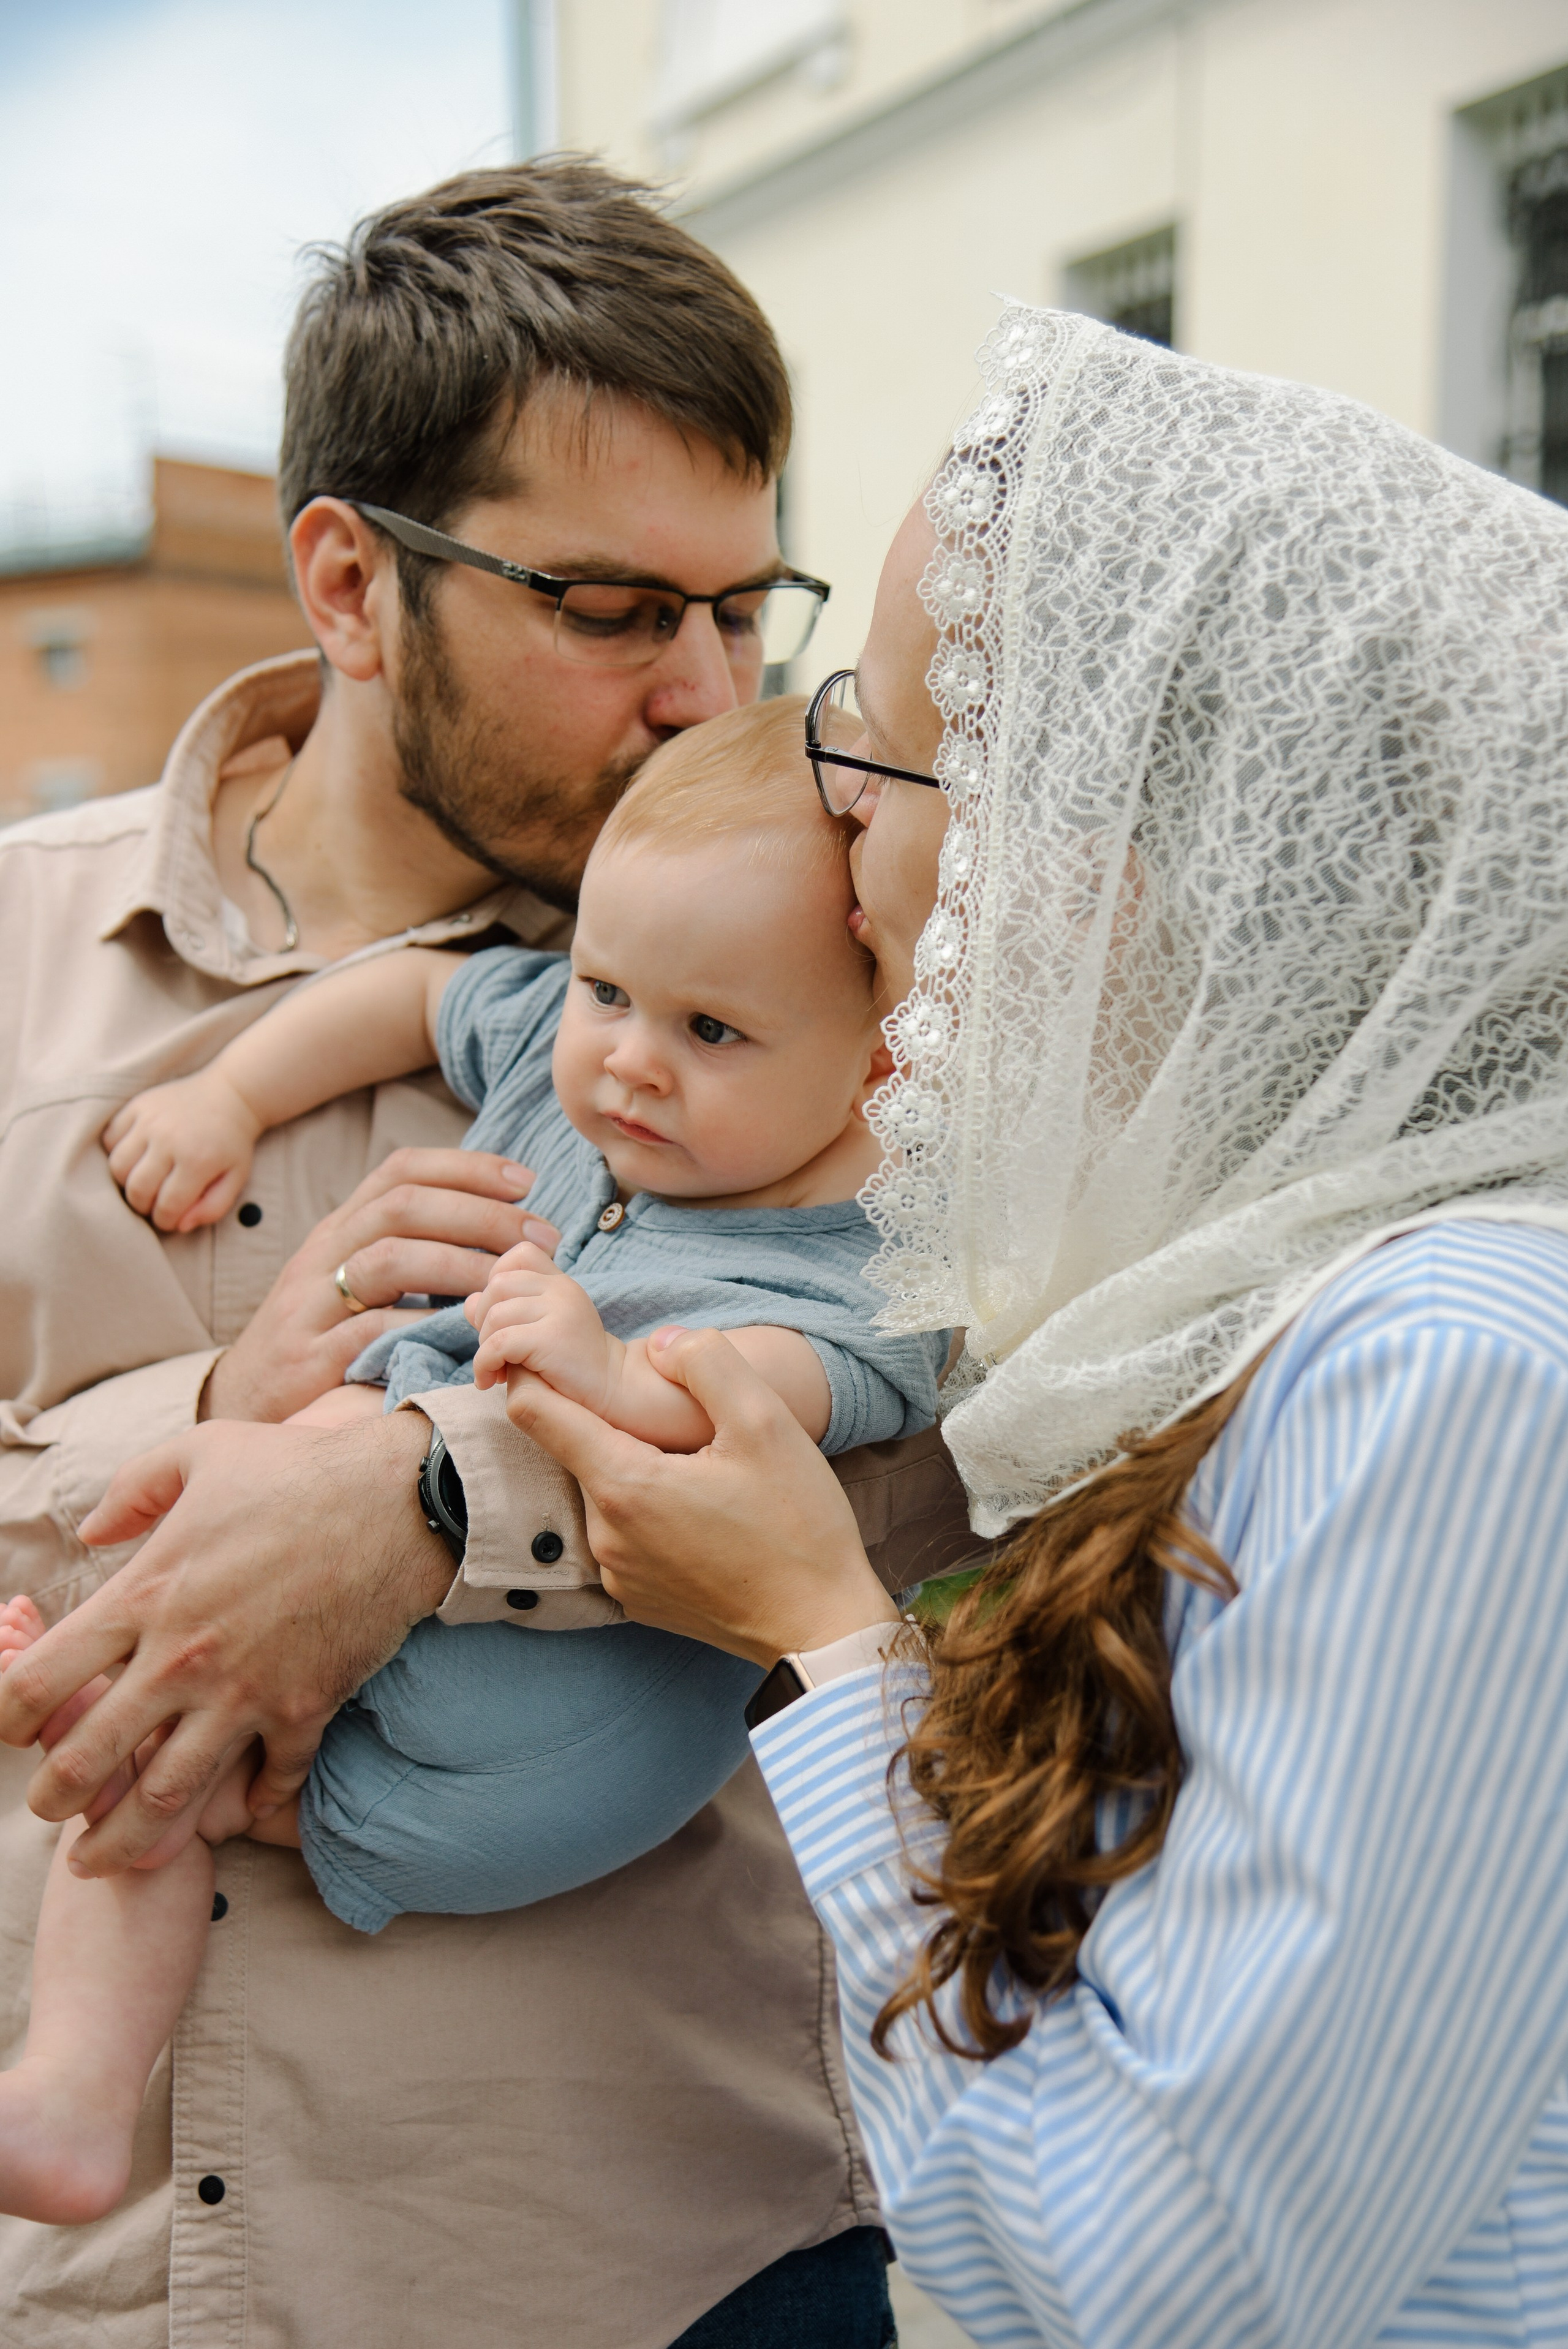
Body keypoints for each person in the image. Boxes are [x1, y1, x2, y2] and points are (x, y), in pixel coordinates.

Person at [458, 309, 1568, 2347]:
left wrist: (819, 1629)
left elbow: (1152, 2265)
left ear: (1117, 852)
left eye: (876, 739)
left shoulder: (1457, 1368)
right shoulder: (1287, 1300)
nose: (836, 829)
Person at [0, 163, 970, 2348]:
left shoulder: (851, 975)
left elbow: (937, 1480)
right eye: (620, 606)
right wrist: (212, 1432)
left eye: (750, 606)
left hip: (641, 2259)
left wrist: (423, 1490)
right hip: (86, 2278)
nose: (706, 692)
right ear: (350, 580)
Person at [0, 695, 951, 2226]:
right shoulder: (579, 1072)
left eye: (709, 1031)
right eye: (604, 991)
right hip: (378, 1701)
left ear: (886, 1061)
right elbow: (411, 999)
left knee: (307, 1454)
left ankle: (146, 1669)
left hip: (570, 1741)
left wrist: (595, 1372)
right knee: (158, 1748)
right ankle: (71, 2096)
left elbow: (754, 1410)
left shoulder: (872, 1259)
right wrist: (230, 1094)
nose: (627, 1062)